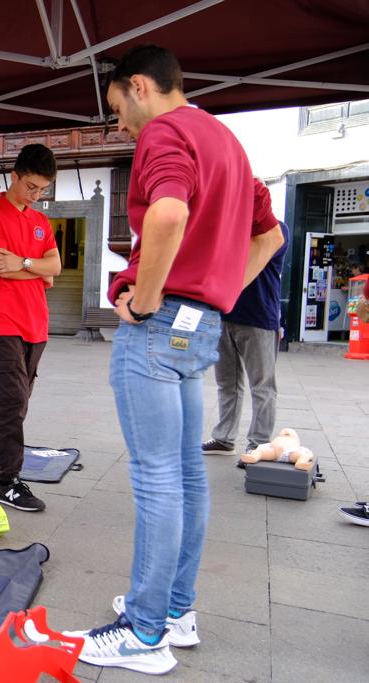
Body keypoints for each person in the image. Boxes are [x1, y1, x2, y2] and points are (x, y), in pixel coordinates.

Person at [66, 46, 284, 676]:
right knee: (186, 476)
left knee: (157, 478)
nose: (120, 126)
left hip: (160, 327)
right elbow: (270, 235)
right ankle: (175, 612)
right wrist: (221, 290)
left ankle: (142, 631)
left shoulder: (165, 132)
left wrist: (147, 298)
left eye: (117, 109)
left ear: (139, 86)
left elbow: (167, 211)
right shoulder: (227, 143)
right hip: (202, 326)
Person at [0, 143, 61, 513]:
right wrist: (38, 269)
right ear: (15, 176)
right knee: (11, 402)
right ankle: (7, 482)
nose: (36, 195)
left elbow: (55, 269)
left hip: (37, 325)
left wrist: (24, 263)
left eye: (42, 190)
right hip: (2, 321)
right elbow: (1, 268)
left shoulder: (40, 223)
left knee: (16, 402)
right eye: (31, 187)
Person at [203, 222, 289, 456]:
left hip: (259, 318)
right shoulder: (228, 223)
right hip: (223, 316)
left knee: (262, 386)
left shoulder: (276, 229)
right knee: (227, 383)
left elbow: (247, 252)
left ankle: (258, 444)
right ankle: (224, 438)